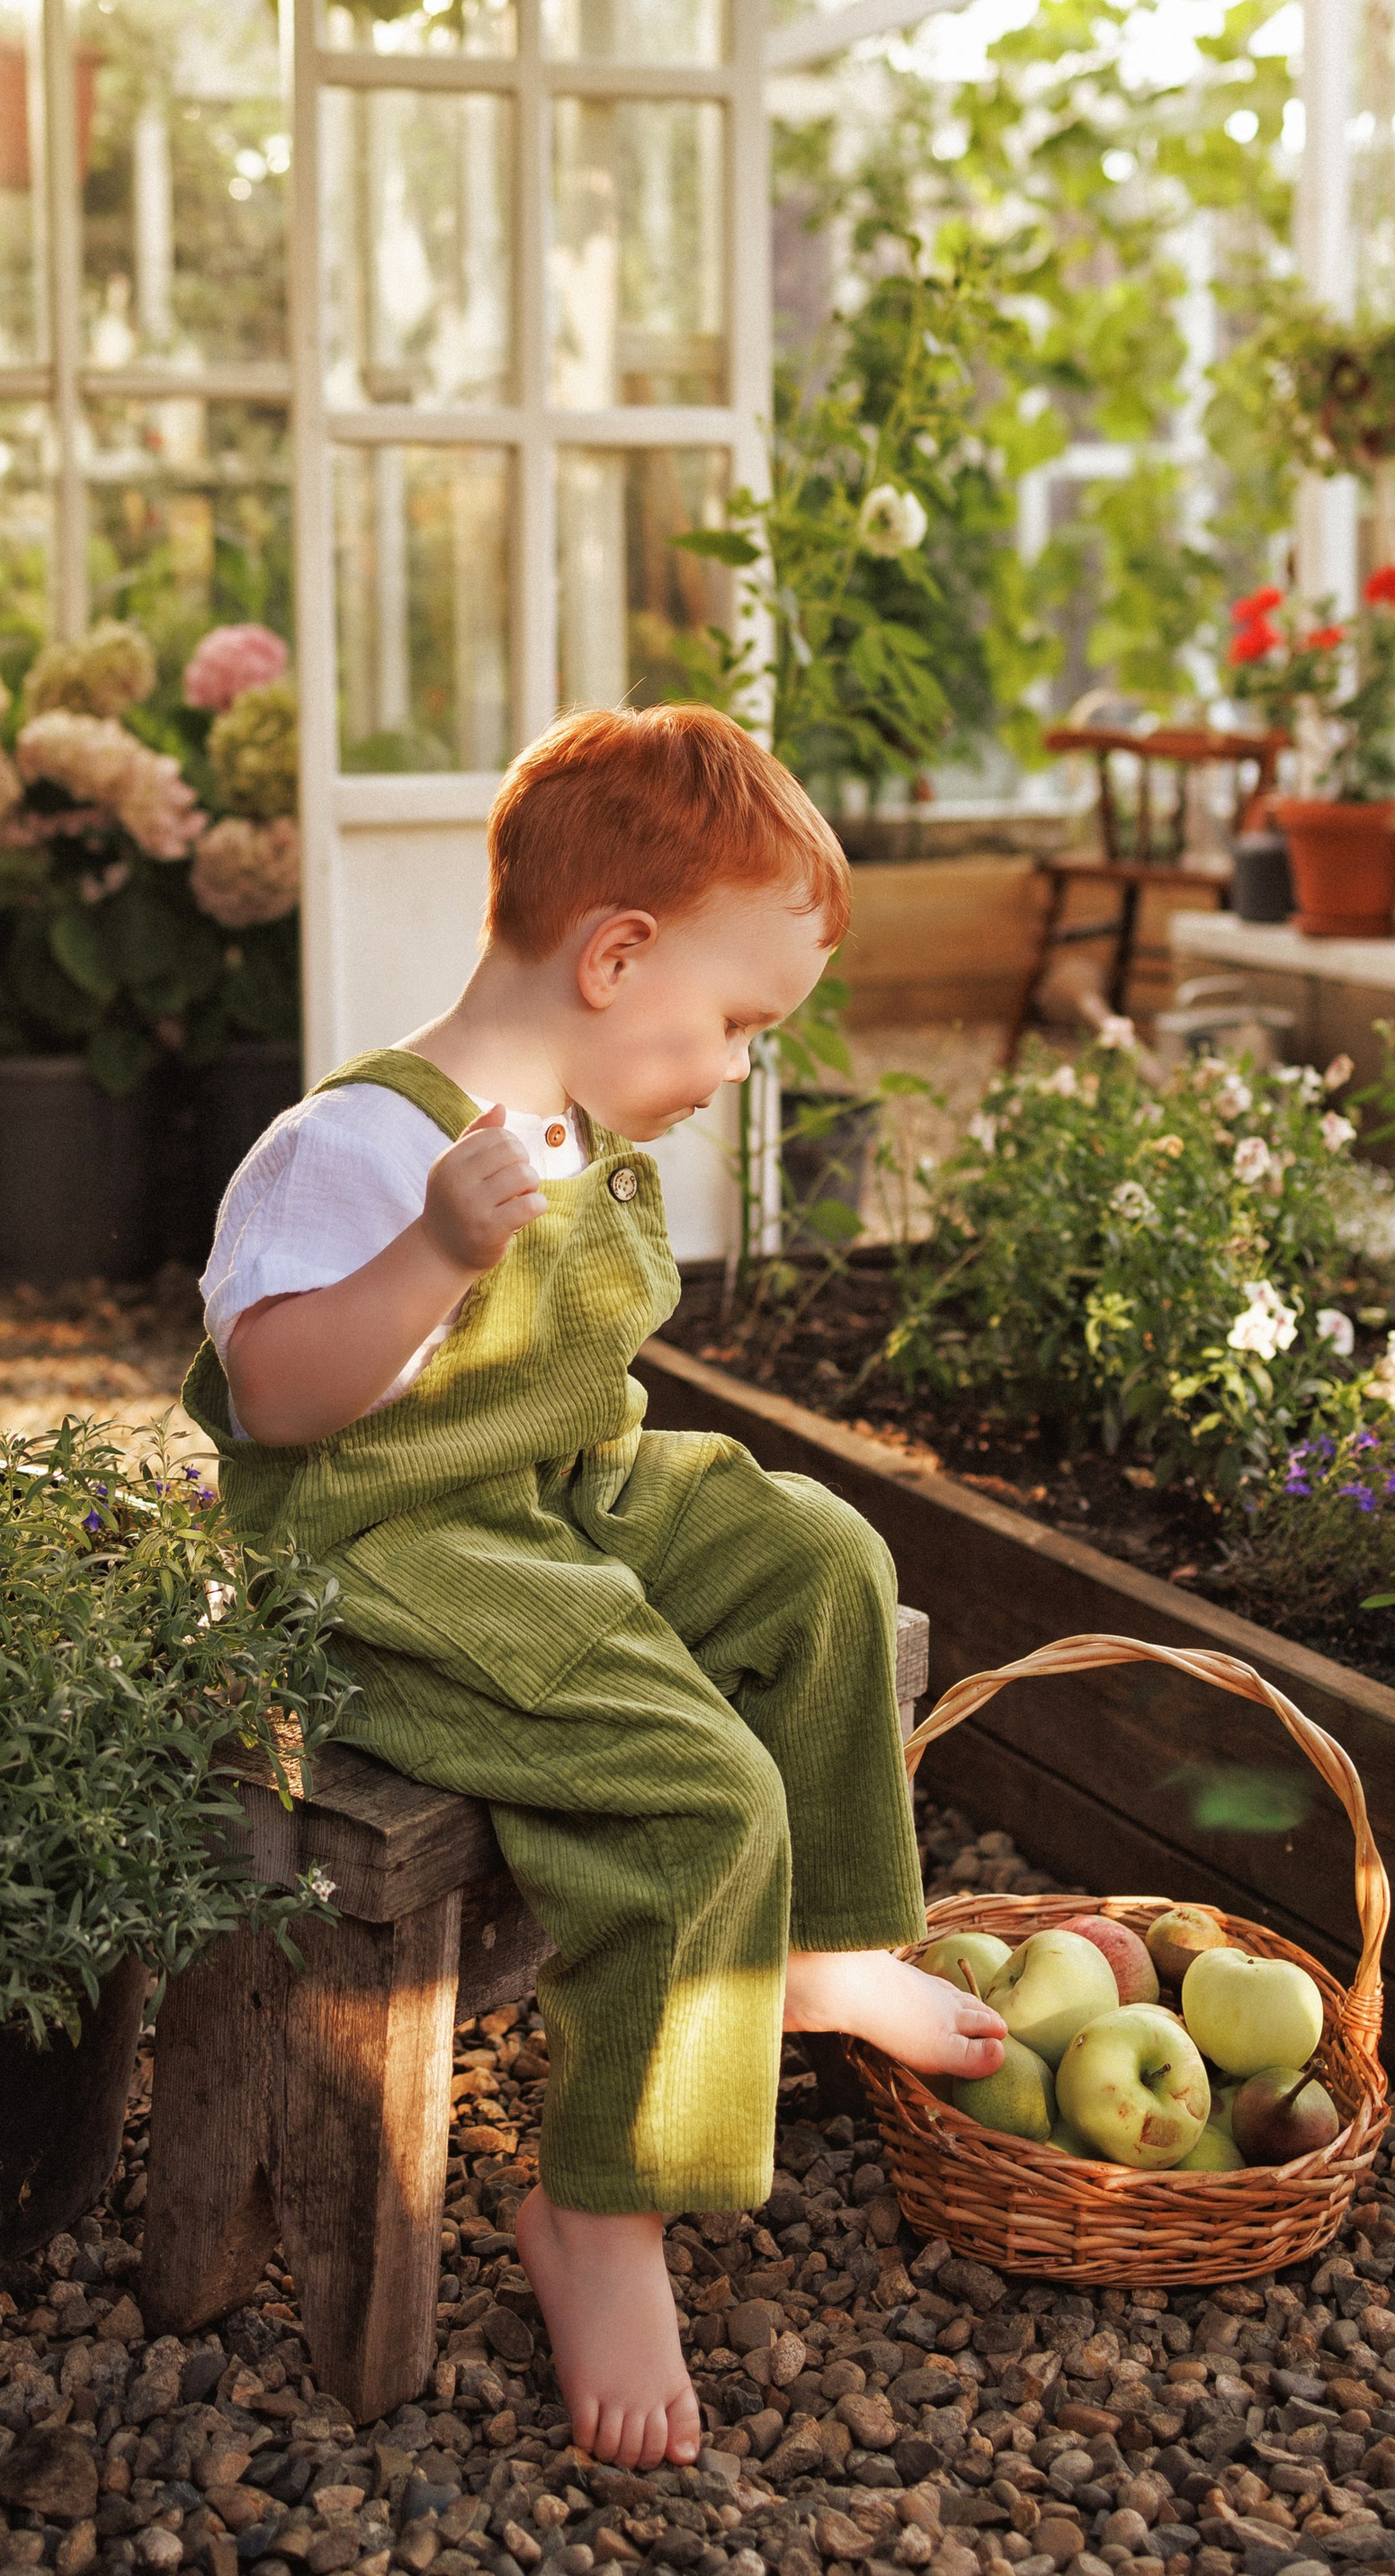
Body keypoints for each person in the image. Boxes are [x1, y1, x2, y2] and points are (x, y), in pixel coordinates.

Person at [185, 702, 1006, 2472]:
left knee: (824, 1555)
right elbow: (276, 1395)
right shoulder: (348, 1144)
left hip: (553, 1494)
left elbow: (562, 1388)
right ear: (614, 955)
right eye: (735, 1023)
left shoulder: (567, 1121)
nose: (739, 1068)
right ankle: (600, 2213)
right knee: (696, 1790)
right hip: (392, 1558)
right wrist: (433, 1248)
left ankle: (822, 1941)